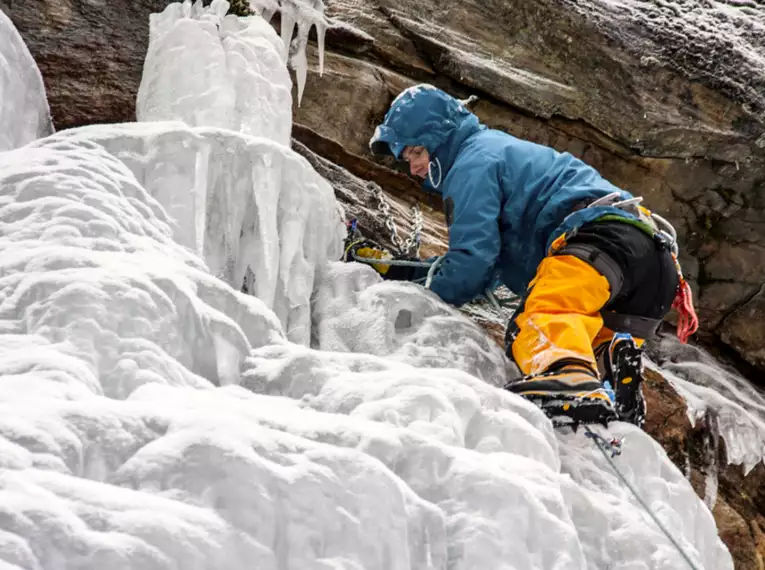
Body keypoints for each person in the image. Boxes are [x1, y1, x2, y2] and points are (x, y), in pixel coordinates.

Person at [367, 84, 698, 427]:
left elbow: (472, 262)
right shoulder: (497, 149)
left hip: (600, 243)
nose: (414, 168)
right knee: (586, 336)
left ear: (439, 139)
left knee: (539, 318)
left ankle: (569, 379)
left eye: (417, 153)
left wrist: (416, 297)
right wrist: (411, 273)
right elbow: (490, 265)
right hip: (653, 268)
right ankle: (613, 371)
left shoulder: (472, 162)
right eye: (406, 159)